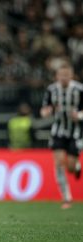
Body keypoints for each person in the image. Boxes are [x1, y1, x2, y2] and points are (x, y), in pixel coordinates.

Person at [40, 63, 83, 210]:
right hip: (58, 131)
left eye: (67, 75)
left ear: (71, 76)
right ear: (57, 76)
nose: (64, 78)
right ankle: (66, 198)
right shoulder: (52, 90)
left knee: (70, 166)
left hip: (75, 132)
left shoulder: (79, 89)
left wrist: (80, 115)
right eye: (61, 75)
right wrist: (46, 112)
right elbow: (45, 109)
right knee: (58, 163)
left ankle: (76, 166)